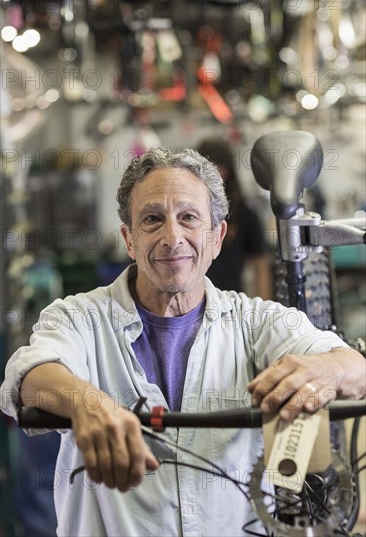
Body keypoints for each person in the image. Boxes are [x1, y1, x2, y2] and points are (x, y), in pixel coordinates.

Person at [0, 147, 365, 537]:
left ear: (216, 237)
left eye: (188, 218)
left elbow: (355, 368)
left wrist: (323, 369)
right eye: (152, 220)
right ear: (129, 238)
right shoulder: (80, 317)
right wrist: (88, 405)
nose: (172, 237)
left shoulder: (257, 321)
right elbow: (28, 376)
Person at [196, 137, 272, 299]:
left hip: (229, 303)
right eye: (208, 166)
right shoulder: (186, 213)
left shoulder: (244, 214)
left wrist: (263, 312)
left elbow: (261, 265)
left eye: (220, 166)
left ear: (228, 170)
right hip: (189, 305)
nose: (215, 172)